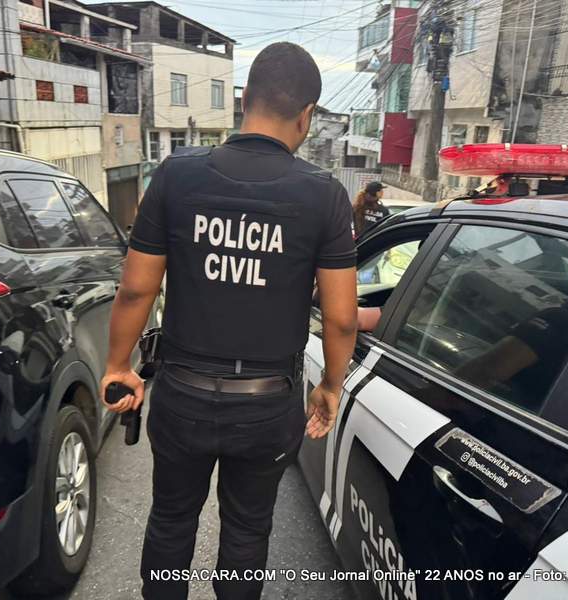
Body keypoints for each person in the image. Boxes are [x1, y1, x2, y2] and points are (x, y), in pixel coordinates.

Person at [100, 42, 358, 600]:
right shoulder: (325, 196)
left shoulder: (176, 175)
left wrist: (119, 365)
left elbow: (137, 288)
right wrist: (332, 386)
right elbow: (340, 319)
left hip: (182, 394)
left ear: (245, 100)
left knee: (171, 519)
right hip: (267, 403)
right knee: (247, 529)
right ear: (307, 115)